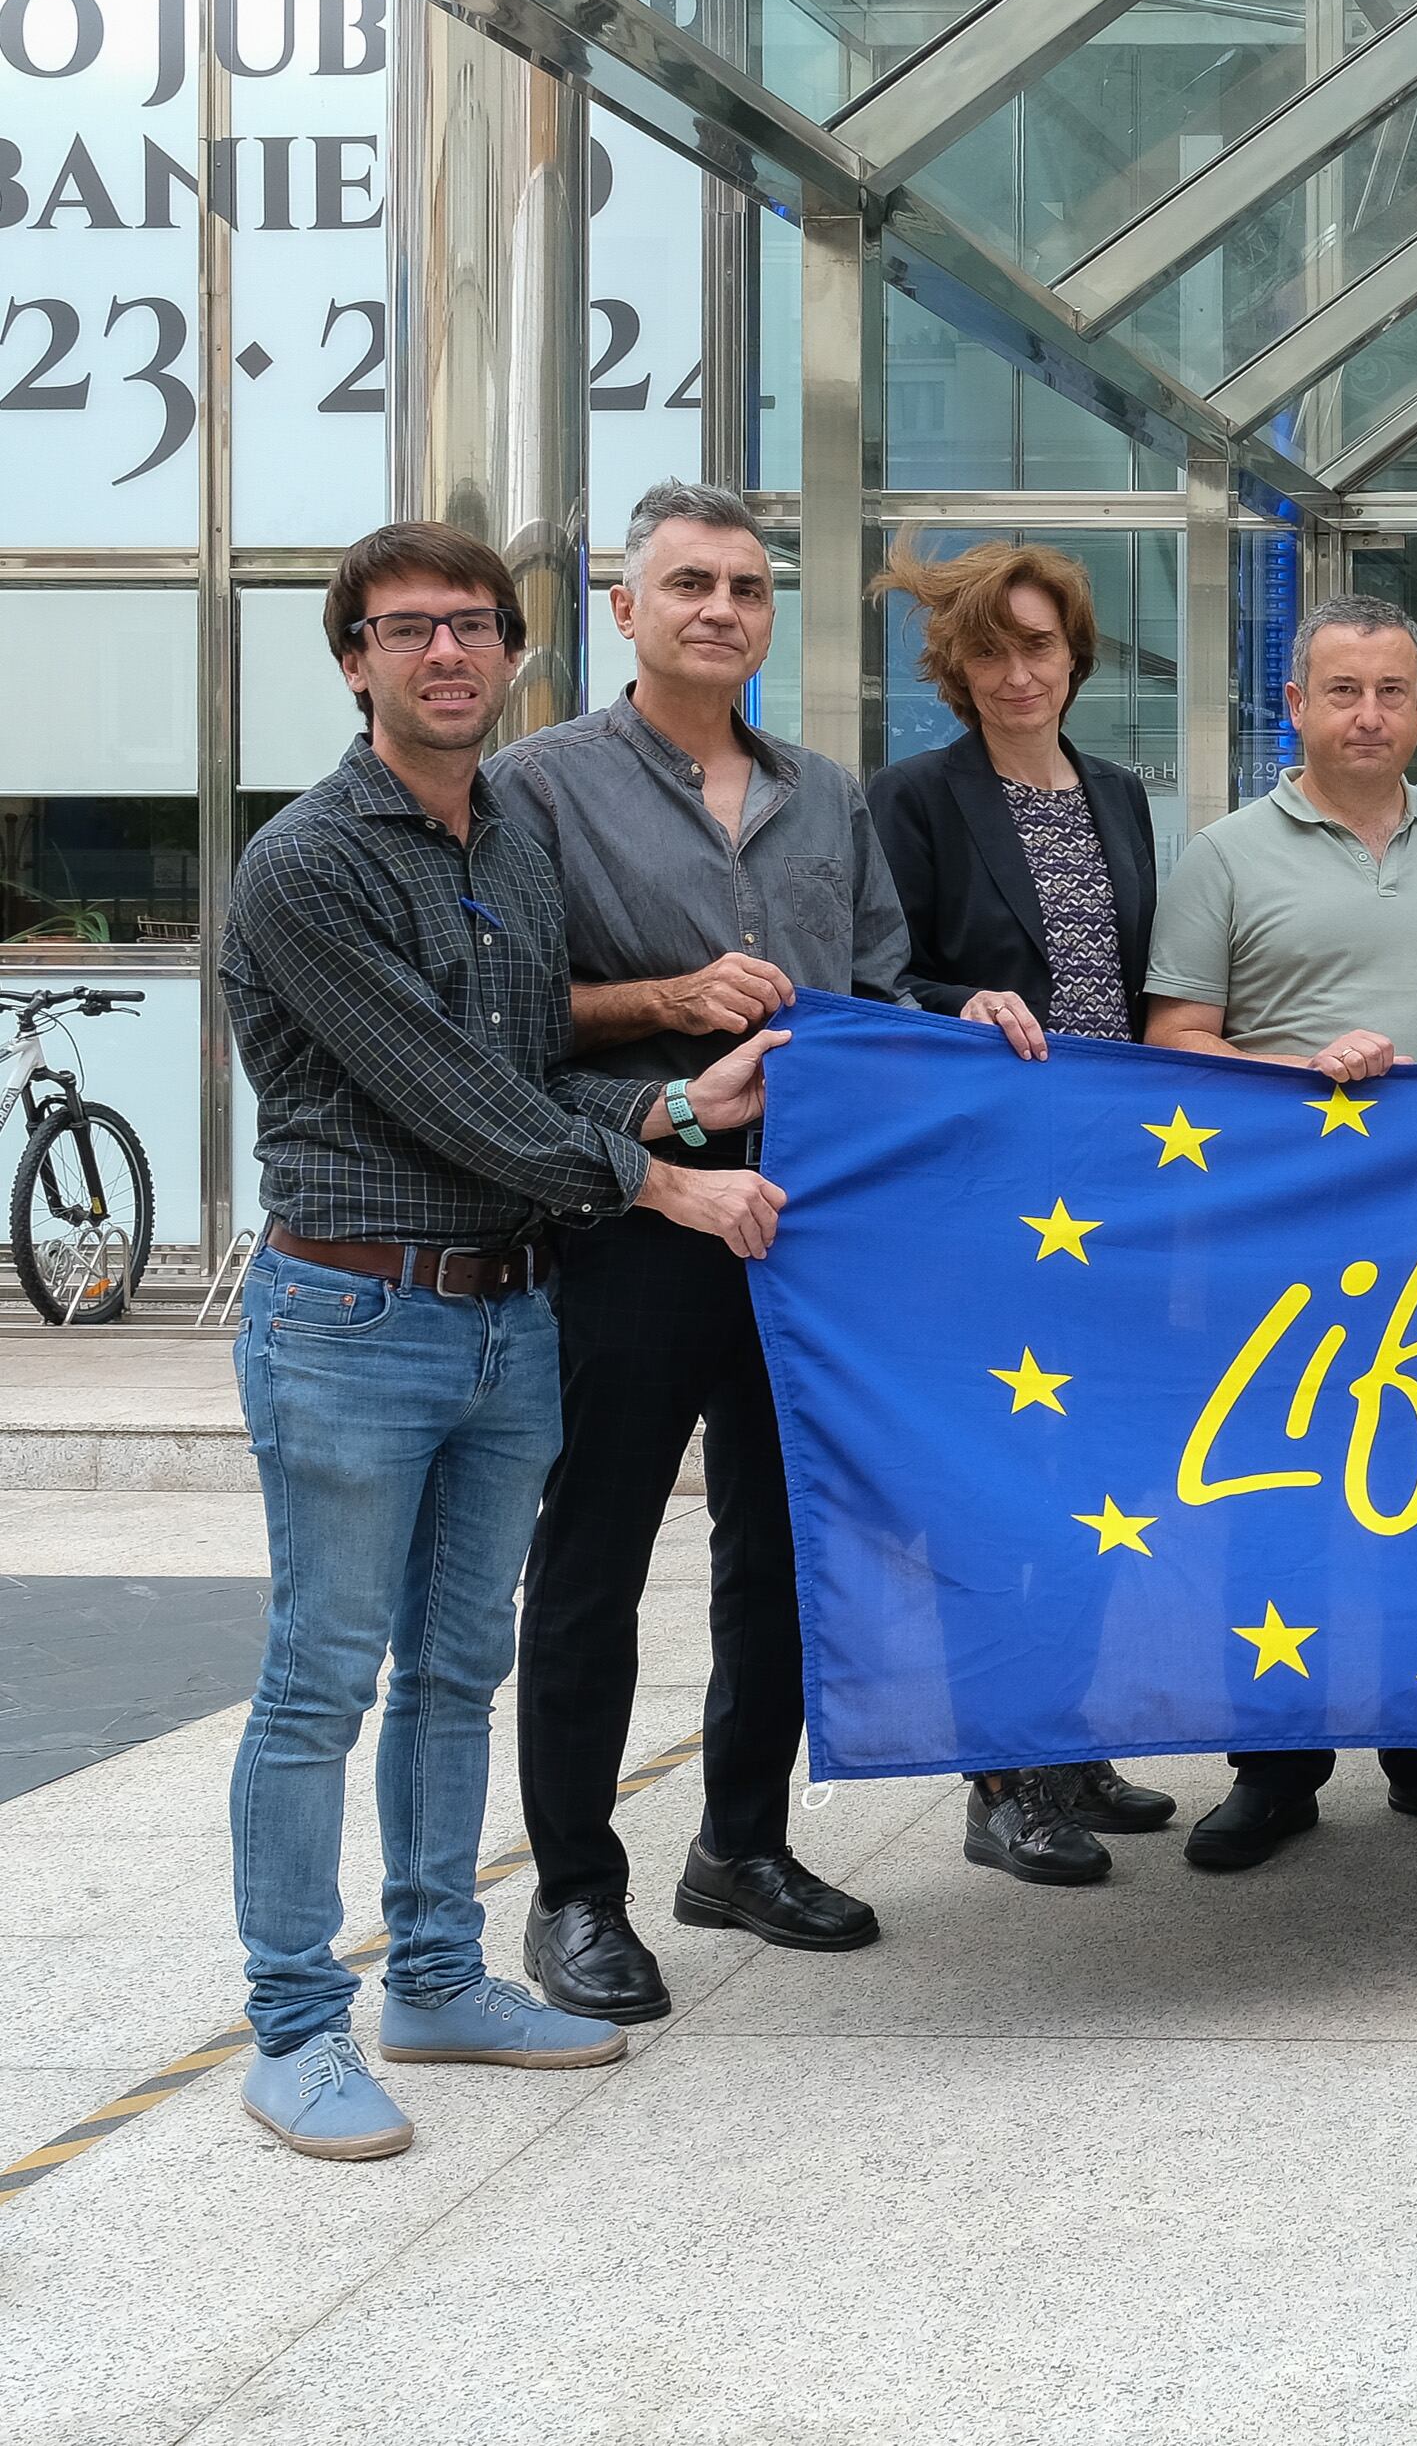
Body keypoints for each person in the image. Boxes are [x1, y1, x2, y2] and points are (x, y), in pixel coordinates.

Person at [219, 522, 790, 2155]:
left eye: (473, 626)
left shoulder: (512, 844)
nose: (447, 652)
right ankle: (292, 2031)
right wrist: (669, 1184)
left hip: (505, 1315)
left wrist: (681, 1097)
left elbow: (536, 1061)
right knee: (321, 1682)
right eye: (408, 630)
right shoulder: (311, 863)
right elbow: (454, 1101)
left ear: (515, 653)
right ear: (354, 661)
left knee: (460, 1672)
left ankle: (440, 1977)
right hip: (350, 1312)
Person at [495, 480, 915, 2024]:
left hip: (806, 1226)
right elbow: (509, 1015)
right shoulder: (537, 789)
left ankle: (742, 1839)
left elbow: (877, 990)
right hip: (631, 1204)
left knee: (780, 1542)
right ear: (624, 607)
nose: (721, 608)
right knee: (593, 1553)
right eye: (688, 583)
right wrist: (670, 1002)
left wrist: (976, 1027)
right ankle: (575, 1893)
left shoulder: (826, 793)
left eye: (745, 586)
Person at [1146, 592, 1417, 1869]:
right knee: (1273, 1491)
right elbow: (1174, 1043)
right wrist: (1299, 1067)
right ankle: (1274, 1768)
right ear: (1293, 705)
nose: (1369, 714)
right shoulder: (1225, 854)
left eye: (1392, 691)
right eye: (1342, 691)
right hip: (1278, 1238)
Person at [864, 536, 1178, 1887]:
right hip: (992, 1200)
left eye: (1038, 646)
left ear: (1075, 656)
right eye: (989, 651)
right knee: (1003, 1486)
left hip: (1117, 1187)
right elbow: (878, 979)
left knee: (1102, 1475)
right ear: (955, 666)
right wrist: (960, 1006)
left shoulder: (1117, 792)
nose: (1016, 672)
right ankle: (1001, 1775)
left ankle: (1066, 1739)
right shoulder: (917, 798)